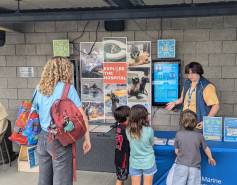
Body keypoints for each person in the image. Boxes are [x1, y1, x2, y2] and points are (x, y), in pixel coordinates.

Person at [31, 57, 91, 185]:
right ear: (65, 71)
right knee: (62, 180)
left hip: (42, 138)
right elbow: (82, 116)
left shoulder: (38, 88)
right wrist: (87, 139)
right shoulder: (67, 89)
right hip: (59, 140)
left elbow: (33, 112)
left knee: (44, 180)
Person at [165, 62, 219, 130]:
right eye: (188, 73)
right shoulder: (187, 82)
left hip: (198, 124)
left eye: (192, 73)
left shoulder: (207, 86)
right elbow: (182, 98)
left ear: (199, 72)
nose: (190, 76)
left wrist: (206, 122)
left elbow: (216, 106)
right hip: (185, 121)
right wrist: (174, 103)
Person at [171, 110, 216, 185]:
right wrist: (210, 158)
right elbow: (206, 148)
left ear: (181, 122)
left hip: (181, 165)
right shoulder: (199, 135)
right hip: (195, 167)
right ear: (195, 123)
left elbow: (176, 150)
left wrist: (180, 155)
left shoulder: (178, 134)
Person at [126, 104, 156, 185]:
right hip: (148, 162)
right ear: (144, 117)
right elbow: (152, 143)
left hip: (134, 162)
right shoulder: (149, 130)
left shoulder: (128, 130)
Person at [113, 105, 131, 185]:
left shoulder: (119, 126)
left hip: (118, 156)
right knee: (120, 178)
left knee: (121, 177)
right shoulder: (126, 129)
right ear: (127, 117)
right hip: (124, 158)